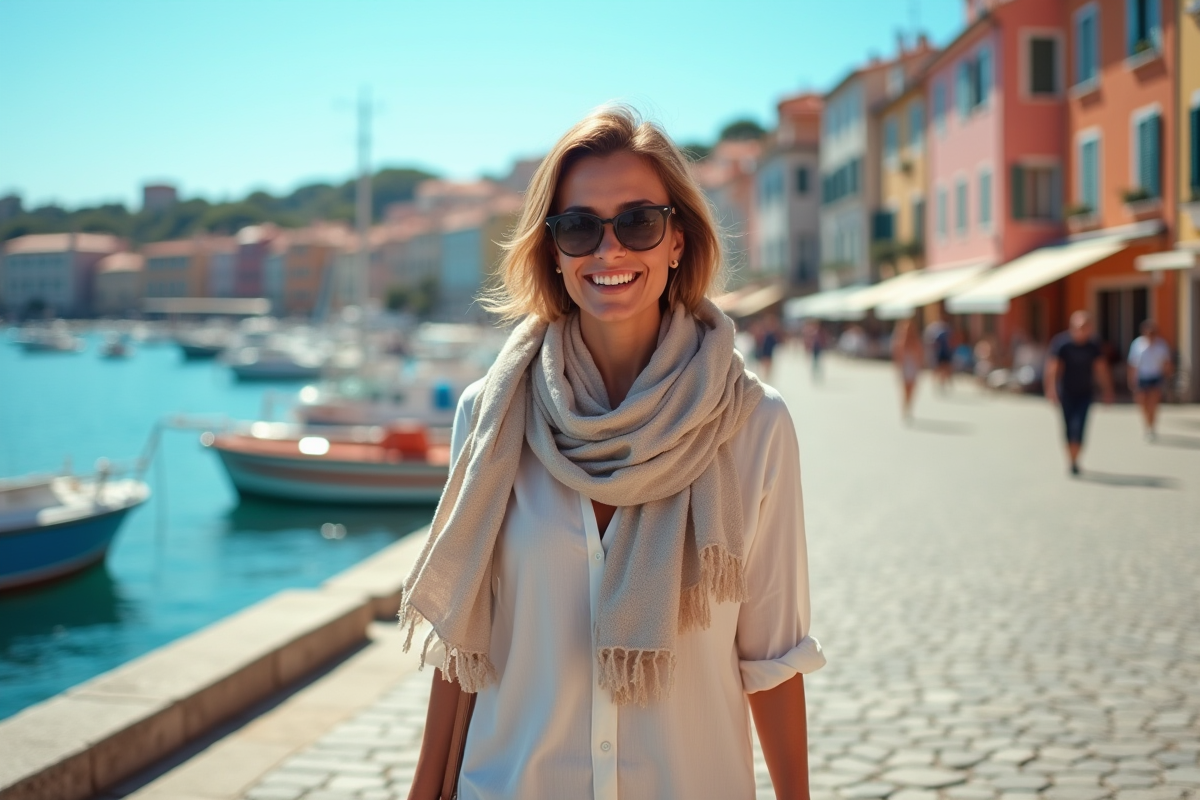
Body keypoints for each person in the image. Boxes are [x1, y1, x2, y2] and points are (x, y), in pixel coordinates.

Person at [402, 107, 824, 800]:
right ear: (552, 250)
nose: (609, 250)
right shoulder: (490, 413)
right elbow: (464, 644)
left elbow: (773, 657)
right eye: (578, 227)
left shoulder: (754, 427)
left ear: (677, 241)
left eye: (638, 222)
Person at [1045, 311, 1114, 476]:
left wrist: (1107, 390)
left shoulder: (1093, 345)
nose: (1082, 331)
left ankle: (1076, 460)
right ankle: (1071, 460)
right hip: (1066, 392)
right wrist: (1051, 389)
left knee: (1080, 427)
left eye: (1085, 327)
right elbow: (1053, 368)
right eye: (1078, 327)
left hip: (1085, 392)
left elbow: (1101, 369)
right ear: (1072, 327)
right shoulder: (1062, 344)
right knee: (1068, 427)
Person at [1127, 320, 1173, 441]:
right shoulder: (1137, 345)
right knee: (1143, 403)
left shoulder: (1161, 345)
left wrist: (1167, 377)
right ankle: (1146, 425)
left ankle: (1151, 427)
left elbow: (1166, 363)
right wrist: (1131, 379)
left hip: (1156, 377)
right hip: (1142, 377)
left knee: (1153, 404)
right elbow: (1133, 364)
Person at [892, 318, 924, 420]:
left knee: (912, 388)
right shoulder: (900, 340)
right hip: (905, 366)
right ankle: (905, 407)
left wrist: (919, 365)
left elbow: (920, 354)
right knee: (905, 388)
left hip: (912, 366)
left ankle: (909, 405)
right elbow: (897, 355)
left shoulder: (915, 340)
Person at [923, 315, 953, 392]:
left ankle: (943, 382)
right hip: (939, 352)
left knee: (945, 367)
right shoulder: (935, 329)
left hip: (945, 351)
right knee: (938, 368)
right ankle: (937, 381)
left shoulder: (946, 328)